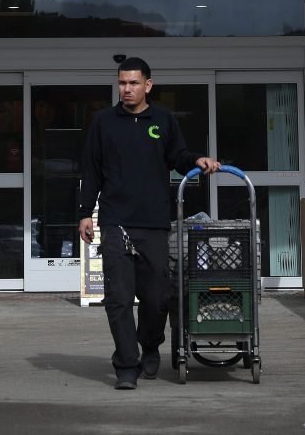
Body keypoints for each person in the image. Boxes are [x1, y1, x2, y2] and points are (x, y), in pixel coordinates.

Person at [78, 57, 220, 390]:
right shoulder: (104, 122)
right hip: (115, 221)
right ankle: (127, 365)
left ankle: (150, 344)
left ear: (148, 85)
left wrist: (197, 161)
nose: (126, 89)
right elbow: (91, 169)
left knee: (158, 297)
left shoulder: (164, 120)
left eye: (133, 83)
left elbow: (179, 157)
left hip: (154, 222)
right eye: (122, 83)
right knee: (119, 298)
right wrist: (86, 212)